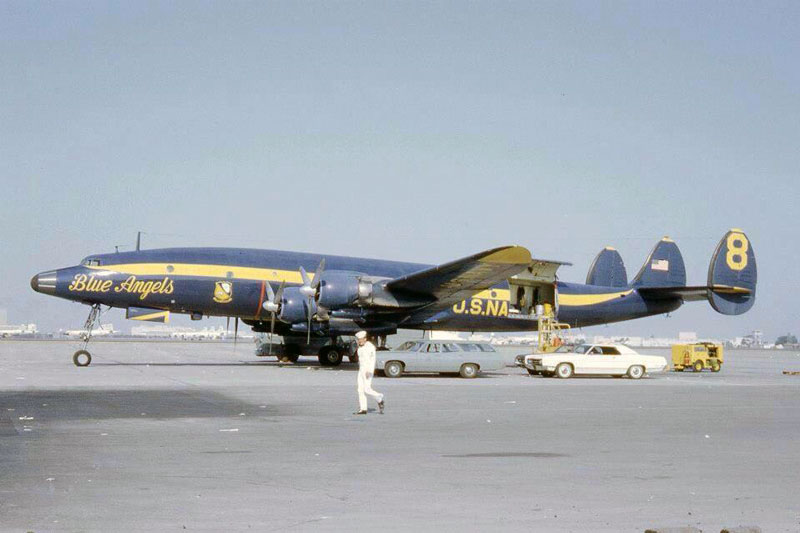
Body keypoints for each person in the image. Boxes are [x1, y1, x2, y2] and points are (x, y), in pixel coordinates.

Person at [354, 330, 384, 415]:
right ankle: (363, 409)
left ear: (365, 339)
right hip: (361, 369)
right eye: (358, 339)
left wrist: (369, 371)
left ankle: (379, 397)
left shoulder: (370, 347)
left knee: (367, 389)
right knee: (360, 389)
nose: (359, 341)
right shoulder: (360, 347)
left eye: (361, 339)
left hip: (368, 370)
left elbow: (371, 361)